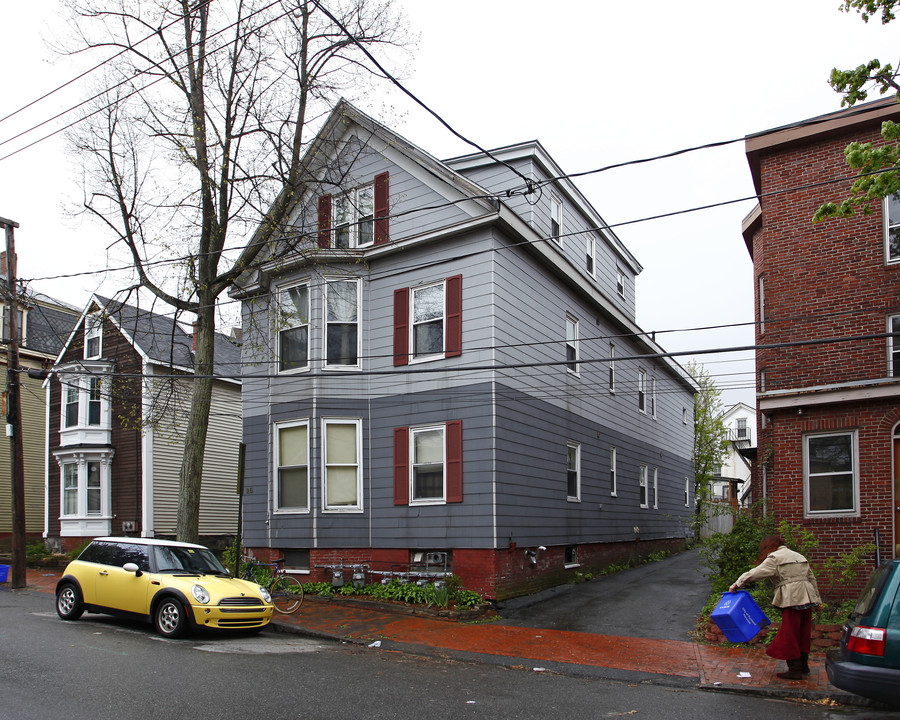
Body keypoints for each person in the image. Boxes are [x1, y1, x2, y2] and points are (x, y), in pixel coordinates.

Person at [729, 535, 821, 680]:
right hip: (808, 597)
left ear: (768, 546)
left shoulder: (775, 557)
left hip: (792, 598)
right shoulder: (799, 556)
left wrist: (737, 583)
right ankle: (803, 667)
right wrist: (818, 601)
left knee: (789, 633)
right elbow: (811, 578)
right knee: (803, 633)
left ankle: (795, 670)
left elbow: (756, 572)